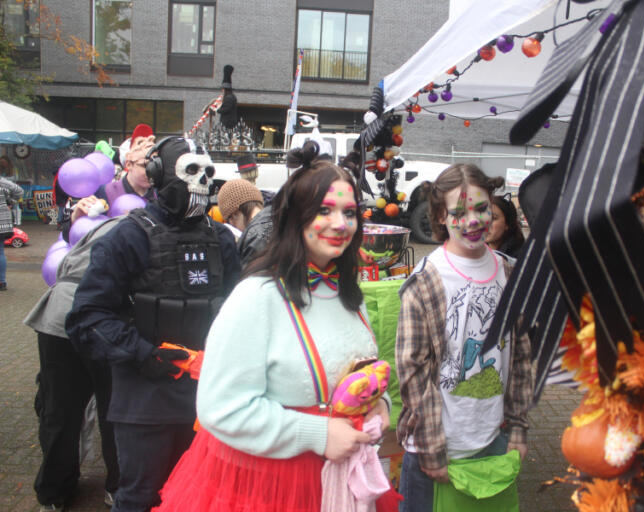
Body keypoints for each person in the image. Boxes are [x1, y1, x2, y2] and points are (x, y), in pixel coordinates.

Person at [152, 141, 389, 512]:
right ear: (295, 218)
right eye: (324, 210)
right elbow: (221, 407)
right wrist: (318, 433)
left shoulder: (348, 296)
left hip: (338, 481)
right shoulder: (256, 298)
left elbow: (358, 372)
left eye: (350, 212)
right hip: (267, 486)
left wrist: (380, 406)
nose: (341, 224)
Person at [65, 137, 241, 512]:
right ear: (160, 175)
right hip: (146, 404)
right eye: (191, 172)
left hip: (211, 401)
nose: (202, 183)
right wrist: (146, 354)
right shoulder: (128, 236)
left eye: (208, 174)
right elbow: (87, 318)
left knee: (209, 498)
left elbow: (243, 311)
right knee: (142, 498)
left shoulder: (222, 238)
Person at [395, 163, 532, 512]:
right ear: (441, 216)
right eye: (459, 212)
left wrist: (517, 428)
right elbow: (413, 370)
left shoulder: (508, 272)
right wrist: (431, 447)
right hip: (435, 452)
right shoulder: (426, 280)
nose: (473, 220)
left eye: (482, 208)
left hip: (492, 442)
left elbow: (519, 358)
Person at [25, 218, 123, 511]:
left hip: (59, 315)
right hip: (98, 316)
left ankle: (54, 491)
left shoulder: (112, 222)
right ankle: (117, 487)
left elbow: (69, 254)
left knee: (59, 411)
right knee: (114, 410)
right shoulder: (148, 227)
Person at [63, 130, 156, 243]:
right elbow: (69, 237)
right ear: (128, 164)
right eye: (144, 165)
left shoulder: (161, 195)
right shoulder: (105, 192)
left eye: (154, 166)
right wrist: (76, 217)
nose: (150, 171)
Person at [215, 178, 268, 258]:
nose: (232, 225)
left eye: (229, 219)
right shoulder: (277, 220)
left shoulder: (254, 241)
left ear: (235, 214)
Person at [0, 173, 24, 291]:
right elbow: (19, 191)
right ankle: (1, 282)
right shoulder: (3, 182)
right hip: (2, 222)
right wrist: (10, 202)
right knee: (0, 252)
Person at [214, 65, 237, 129]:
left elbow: (226, 109)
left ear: (225, 89)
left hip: (228, 123)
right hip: (228, 122)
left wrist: (217, 110)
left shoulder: (229, 98)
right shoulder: (231, 97)